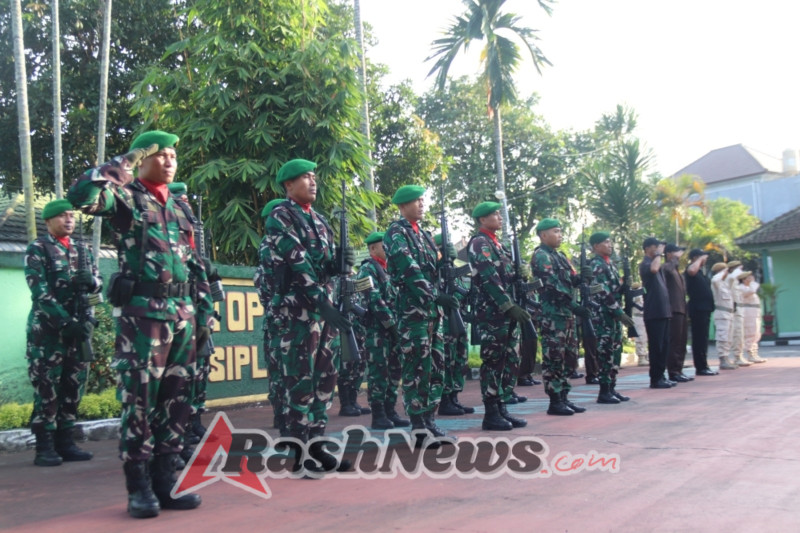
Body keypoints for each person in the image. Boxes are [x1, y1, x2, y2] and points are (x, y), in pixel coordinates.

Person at [67, 131, 210, 517]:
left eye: (173, 155)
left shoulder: (180, 207)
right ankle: (139, 487)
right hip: (144, 315)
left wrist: (203, 312)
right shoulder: (127, 198)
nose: (168, 161)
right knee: (141, 400)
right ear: (142, 159)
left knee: (178, 401)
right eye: (159, 155)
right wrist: (125, 161)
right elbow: (80, 195)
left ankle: (166, 482)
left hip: (182, 313)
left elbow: (194, 264)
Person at [265, 158, 355, 470]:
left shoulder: (319, 220)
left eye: (314, 176)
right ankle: (300, 452)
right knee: (300, 381)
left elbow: (321, 264)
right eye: (305, 177)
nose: (313, 182)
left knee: (324, 380)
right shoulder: (280, 216)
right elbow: (298, 265)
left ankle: (317, 444)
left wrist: (338, 264)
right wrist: (323, 302)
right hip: (298, 314)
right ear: (288, 185)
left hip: (322, 314)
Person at [24, 199, 101, 467]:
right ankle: (44, 447)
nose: (69, 220)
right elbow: (40, 292)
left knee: (73, 385)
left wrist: (92, 287)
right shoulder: (38, 248)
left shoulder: (82, 250)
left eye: (71, 215)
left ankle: (66, 442)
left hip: (79, 330)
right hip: (47, 333)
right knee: (47, 387)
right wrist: (66, 323)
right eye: (62, 216)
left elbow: (96, 286)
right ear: (48, 221)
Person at [384, 184, 456, 445]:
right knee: (417, 367)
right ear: (403, 206)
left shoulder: (424, 234)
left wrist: (446, 260)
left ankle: (430, 421)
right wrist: (434, 294)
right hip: (413, 312)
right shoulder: (396, 233)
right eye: (416, 201)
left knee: (435, 366)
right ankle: (418, 428)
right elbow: (408, 268)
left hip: (431, 313)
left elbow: (434, 266)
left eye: (423, 200)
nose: (422, 204)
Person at [467, 202, 529, 430]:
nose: (499, 217)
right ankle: (491, 413)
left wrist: (520, 274)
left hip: (507, 313)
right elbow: (489, 278)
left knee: (509, 360)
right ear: (482, 220)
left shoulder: (498, 245)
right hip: (493, 314)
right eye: (494, 214)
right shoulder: (479, 243)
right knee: (493, 362)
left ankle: (502, 407)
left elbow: (506, 277)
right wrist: (507, 305)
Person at [530, 218, 591, 415]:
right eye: (555, 231)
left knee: (568, 358)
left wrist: (582, 277)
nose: (560, 235)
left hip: (565, 315)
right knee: (554, 357)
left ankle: (564, 397)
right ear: (543, 234)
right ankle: (555, 401)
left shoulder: (561, 256)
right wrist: (574, 305)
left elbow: (570, 280)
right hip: (553, 314)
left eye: (560, 231)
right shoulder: (541, 256)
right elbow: (552, 285)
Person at [355, 231, 410, 429]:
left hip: (396, 330)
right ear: (372, 249)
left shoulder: (391, 269)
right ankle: (378, 414)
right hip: (378, 331)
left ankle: (390, 410)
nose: (388, 249)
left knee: (395, 370)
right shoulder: (367, 270)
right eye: (382, 246)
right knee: (379, 371)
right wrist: (391, 324)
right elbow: (373, 299)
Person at [586, 231, 636, 404]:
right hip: (603, 314)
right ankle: (604, 390)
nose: (610, 245)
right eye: (606, 242)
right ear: (596, 246)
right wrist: (618, 312)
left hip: (613, 314)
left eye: (610, 242)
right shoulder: (596, 265)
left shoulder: (611, 264)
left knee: (615, 351)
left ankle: (611, 388)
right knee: (605, 352)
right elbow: (601, 291)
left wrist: (625, 286)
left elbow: (614, 290)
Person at [255, 198, 288, 434]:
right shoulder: (269, 246)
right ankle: (282, 414)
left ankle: (284, 415)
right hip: (279, 318)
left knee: (285, 370)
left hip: (282, 316)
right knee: (280, 371)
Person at [433, 234, 475, 417]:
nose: (448, 250)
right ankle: (445, 400)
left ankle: (455, 397)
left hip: (458, 321)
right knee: (446, 361)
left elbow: (461, 291)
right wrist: (441, 265)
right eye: (444, 247)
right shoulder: (435, 271)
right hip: (445, 323)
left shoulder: (456, 271)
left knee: (459, 360)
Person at [639, 237, 674, 389]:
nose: (658, 250)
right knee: (656, 346)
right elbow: (653, 269)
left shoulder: (657, 263)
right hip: (654, 311)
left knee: (664, 346)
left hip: (663, 311)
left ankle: (661, 375)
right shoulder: (646, 263)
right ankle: (655, 378)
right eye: (655, 247)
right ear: (647, 248)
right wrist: (659, 254)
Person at [684, 249, 718, 376]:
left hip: (705, 308)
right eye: (703, 258)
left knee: (703, 339)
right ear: (695, 258)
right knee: (699, 339)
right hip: (697, 308)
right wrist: (699, 258)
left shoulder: (700, 273)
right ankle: (701, 366)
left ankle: (704, 365)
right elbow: (691, 271)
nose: (704, 261)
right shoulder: (691, 270)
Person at [663, 243, 693, 383]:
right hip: (673, 309)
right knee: (674, 341)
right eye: (676, 253)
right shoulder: (666, 267)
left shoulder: (676, 271)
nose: (679, 256)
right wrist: (673, 260)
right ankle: (673, 371)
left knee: (682, 341)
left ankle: (679, 369)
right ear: (668, 254)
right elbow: (666, 269)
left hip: (681, 308)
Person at [710, 262, 736, 370]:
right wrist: (722, 271)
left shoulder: (724, 284)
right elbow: (715, 279)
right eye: (726, 271)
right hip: (721, 313)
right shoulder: (716, 282)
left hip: (729, 313)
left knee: (728, 338)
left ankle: (726, 357)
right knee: (722, 337)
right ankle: (722, 358)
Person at [726, 261, 752, 367]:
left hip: (739, 309)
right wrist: (736, 271)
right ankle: (737, 356)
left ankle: (739, 355)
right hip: (735, 310)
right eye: (738, 270)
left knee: (740, 334)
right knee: (736, 333)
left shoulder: (735, 281)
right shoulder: (730, 279)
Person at [739, 272, 767, 363]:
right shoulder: (741, 288)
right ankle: (750, 353)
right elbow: (752, 291)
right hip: (748, 312)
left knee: (756, 333)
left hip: (754, 312)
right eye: (749, 277)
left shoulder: (748, 287)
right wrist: (752, 283)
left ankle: (754, 353)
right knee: (749, 333)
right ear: (744, 279)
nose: (752, 279)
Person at [630, 283, 649, 366]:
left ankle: (644, 356)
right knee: (640, 337)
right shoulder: (635, 296)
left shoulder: (638, 295)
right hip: (638, 317)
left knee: (644, 337)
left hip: (643, 317)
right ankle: (641, 358)